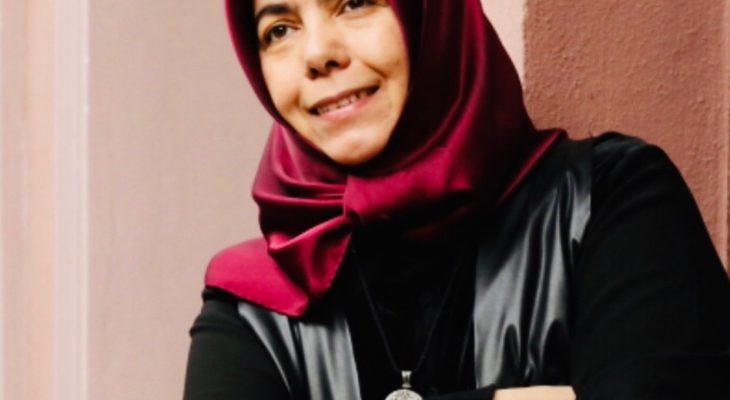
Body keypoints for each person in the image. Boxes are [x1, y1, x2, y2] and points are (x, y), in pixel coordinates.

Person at [183, 0, 730, 399]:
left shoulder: (608, 199)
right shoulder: (253, 303)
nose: (318, 54)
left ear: (431, 15)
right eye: (278, 29)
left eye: (355, 2)